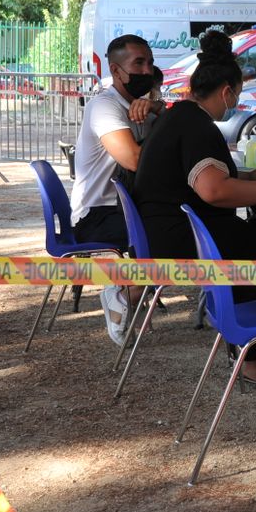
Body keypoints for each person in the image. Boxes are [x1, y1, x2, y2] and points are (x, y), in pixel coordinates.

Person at [132, 31, 256, 387]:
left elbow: (199, 177)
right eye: (237, 94)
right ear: (226, 92)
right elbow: (213, 190)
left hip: (163, 228)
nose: (236, 102)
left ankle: (248, 343)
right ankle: (251, 354)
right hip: (178, 236)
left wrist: (247, 176)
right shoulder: (197, 126)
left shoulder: (180, 116)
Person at [70, 34, 165, 346]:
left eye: (150, 63)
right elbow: (134, 160)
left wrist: (157, 107)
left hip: (127, 209)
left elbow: (175, 129)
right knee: (175, 235)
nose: (147, 70)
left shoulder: (141, 106)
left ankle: (130, 291)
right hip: (97, 215)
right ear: (115, 70)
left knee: (182, 225)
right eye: (138, 63)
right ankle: (123, 292)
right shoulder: (104, 106)